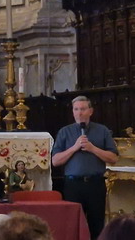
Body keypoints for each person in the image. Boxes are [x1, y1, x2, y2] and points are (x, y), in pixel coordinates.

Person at [52, 96, 119, 240]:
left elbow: (113, 158)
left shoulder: (102, 131)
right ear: (73, 112)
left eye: (83, 109)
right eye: (76, 109)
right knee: (73, 226)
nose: (79, 113)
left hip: (96, 184)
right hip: (73, 186)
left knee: (96, 226)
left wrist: (92, 148)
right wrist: (74, 148)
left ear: (90, 111)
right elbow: (55, 161)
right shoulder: (65, 132)